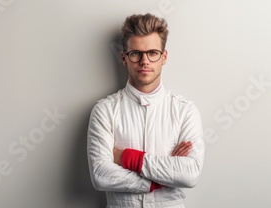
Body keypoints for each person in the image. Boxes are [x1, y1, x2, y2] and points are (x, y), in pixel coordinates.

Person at [87, 13, 204, 208]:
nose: (144, 61)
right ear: (124, 58)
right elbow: (101, 175)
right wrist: (162, 179)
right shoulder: (104, 111)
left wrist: (127, 158)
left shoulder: (185, 111)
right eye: (136, 53)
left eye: (152, 53)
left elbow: (190, 174)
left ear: (163, 57)